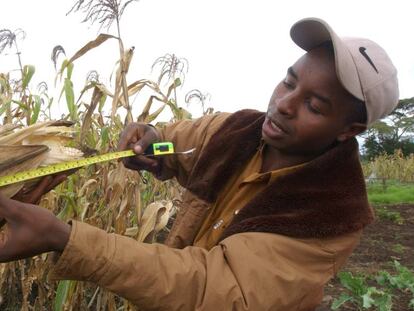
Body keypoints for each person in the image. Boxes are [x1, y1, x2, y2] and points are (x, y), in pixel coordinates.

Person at [0, 17, 399, 310]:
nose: (284, 104)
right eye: (289, 82)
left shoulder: (330, 217)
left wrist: (65, 239)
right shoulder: (235, 132)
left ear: (349, 130)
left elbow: (213, 289)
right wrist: (150, 144)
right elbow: (174, 146)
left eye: (314, 105)